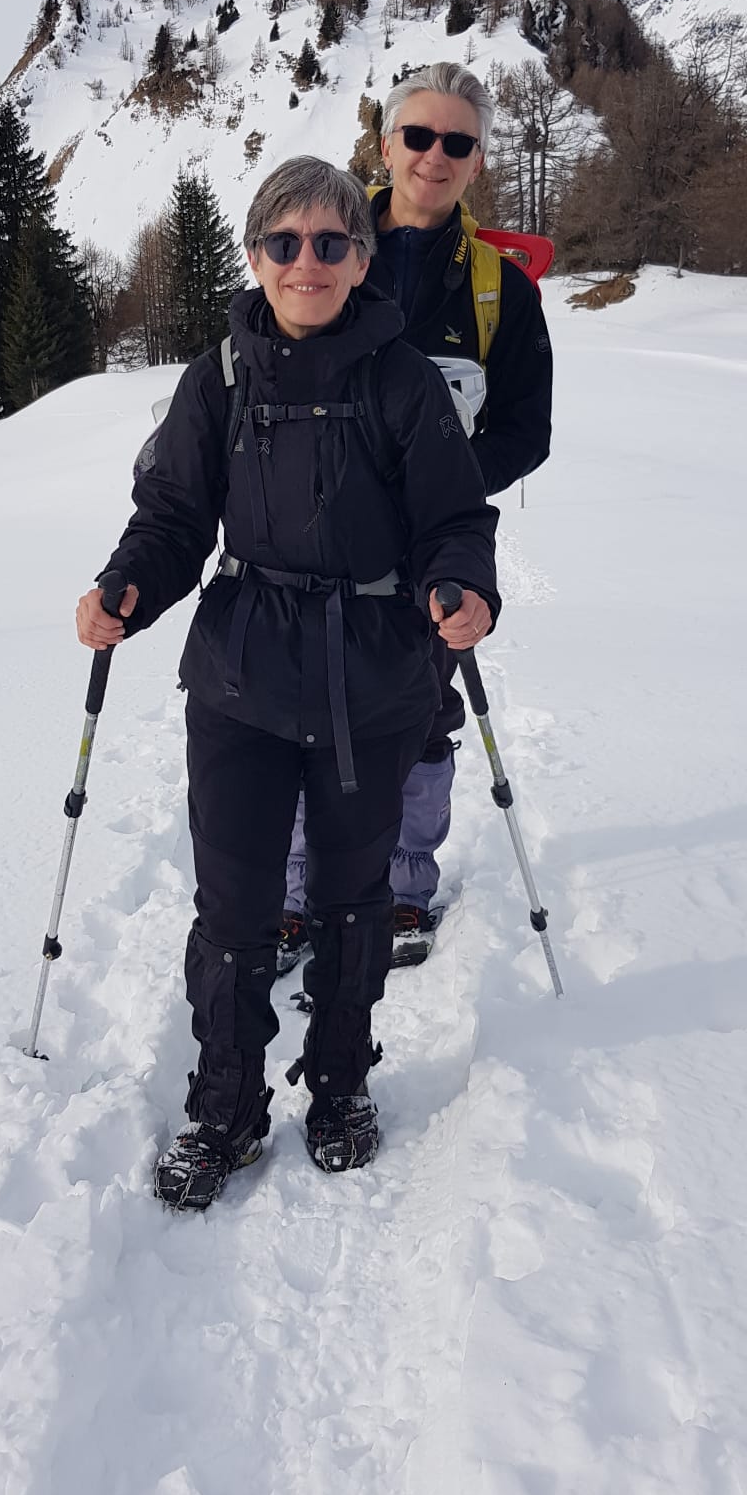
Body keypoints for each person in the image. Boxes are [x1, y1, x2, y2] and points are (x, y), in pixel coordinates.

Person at [77, 156, 500, 1211]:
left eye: (329, 242)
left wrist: (460, 585)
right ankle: (225, 1105)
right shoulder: (219, 377)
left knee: (354, 904)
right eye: (284, 242)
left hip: (375, 680)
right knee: (234, 909)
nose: (305, 261)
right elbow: (174, 516)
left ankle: (340, 1086)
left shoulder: (403, 379)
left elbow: (454, 518)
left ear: (360, 259)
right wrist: (128, 585)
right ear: (255, 256)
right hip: (243, 678)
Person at [279, 63, 552, 971]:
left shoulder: (500, 290)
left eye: (458, 142)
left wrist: (444, 482)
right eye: (420, 136)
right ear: (386, 144)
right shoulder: (321, 251)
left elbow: (527, 429)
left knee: (424, 716)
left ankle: (402, 887)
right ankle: (294, 891)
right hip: (318, 535)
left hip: (432, 546)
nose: (436, 156)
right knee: (304, 710)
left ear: (477, 162)